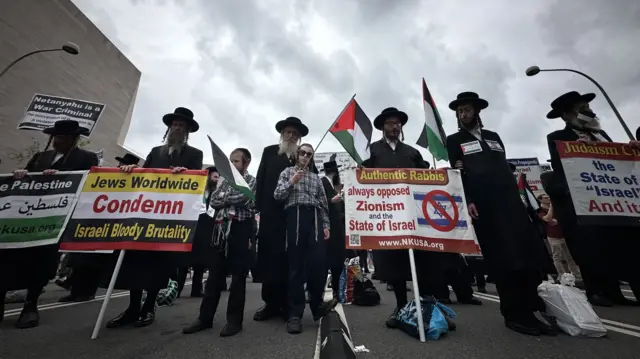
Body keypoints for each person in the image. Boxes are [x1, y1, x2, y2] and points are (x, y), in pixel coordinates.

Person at [445, 92, 553, 336]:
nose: (463, 115)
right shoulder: (454, 140)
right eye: (460, 111)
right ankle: (514, 313)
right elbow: (457, 173)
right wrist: (468, 200)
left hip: (510, 203)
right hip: (485, 206)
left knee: (525, 255)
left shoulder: (493, 137)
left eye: (467, 110)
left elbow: (503, 166)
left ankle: (532, 308)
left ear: (477, 112)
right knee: (503, 258)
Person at [105, 107, 203, 329]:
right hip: (145, 216)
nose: (177, 129)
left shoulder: (194, 154)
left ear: (187, 131)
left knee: (158, 266)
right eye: (175, 125)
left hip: (169, 220)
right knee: (135, 263)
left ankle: (149, 307)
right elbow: (143, 178)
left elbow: (196, 184)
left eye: (181, 126)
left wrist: (185, 173)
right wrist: (131, 169)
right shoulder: (155, 151)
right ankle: (132, 308)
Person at [0, 120, 98, 328]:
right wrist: (22, 175)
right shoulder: (41, 157)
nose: (58, 141)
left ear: (73, 139)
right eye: (56, 136)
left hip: (54, 220)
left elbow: (89, 183)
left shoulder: (86, 158)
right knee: (9, 256)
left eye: (63, 137)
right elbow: (26, 179)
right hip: (26, 217)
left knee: (40, 262)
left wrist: (62, 177)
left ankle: (30, 305)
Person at [546, 91, 639, 306]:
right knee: (590, 246)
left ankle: (615, 291)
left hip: (611, 202)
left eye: (586, 106)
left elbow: (618, 163)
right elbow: (561, 167)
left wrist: (630, 150)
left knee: (613, 245)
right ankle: (595, 289)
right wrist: (578, 148)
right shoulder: (558, 137)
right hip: (584, 202)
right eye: (581, 108)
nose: (587, 110)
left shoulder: (602, 134)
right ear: (567, 115)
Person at [362, 107, 445, 329]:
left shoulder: (411, 152)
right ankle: (401, 308)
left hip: (414, 216)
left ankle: (427, 310)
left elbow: (425, 175)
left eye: (397, 123)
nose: (394, 126)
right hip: (388, 216)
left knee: (423, 264)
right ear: (382, 127)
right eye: (390, 123)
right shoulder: (371, 151)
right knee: (395, 265)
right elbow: (362, 177)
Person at [183, 148, 256, 336]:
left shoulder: (250, 181)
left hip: (240, 229)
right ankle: (204, 318)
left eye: (236, 161)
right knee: (215, 276)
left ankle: (234, 321)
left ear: (246, 163)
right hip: (220, 230)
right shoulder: (223, 180)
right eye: (230, 160)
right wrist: (226, 198)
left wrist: (225, 198)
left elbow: (244, 198)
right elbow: (214, 201)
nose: (231, 164)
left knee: (238, 277)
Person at [273, 143, 336, 334]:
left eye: (309, 154)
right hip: (295, 215)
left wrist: (326, 225)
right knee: (296, 266)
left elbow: (323, 204)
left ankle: (317, 307)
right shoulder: (287, 172)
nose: (305, 156)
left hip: (314, 218)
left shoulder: (316, 178)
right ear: (297, 155)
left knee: (318, 263)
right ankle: (295, 314)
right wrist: (292, 181)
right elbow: (277, 195)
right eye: (302, 153)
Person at [254, 117, 311, 322]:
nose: (291, 136)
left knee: (291, 260)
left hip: (293, 216)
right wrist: (257, 206)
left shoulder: (303, 157)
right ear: (282, 134)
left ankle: (288, 305)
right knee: (269, 259)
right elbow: (260, 179)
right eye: (288, 132)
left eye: (295, 133)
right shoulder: (270, 151)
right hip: (270, 214)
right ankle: (270, 303)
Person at [537, 193, 582, 284]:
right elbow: (547, 218)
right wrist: (551, 207)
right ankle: (562, 275)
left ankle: (577, 275)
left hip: (563, 234)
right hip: (553, 236)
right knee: (557, 257)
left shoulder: (556, 208)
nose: (548, 198)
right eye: (545, 198)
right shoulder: (540, 210)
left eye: (549, 197)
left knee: (569, 256)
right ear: (540, 200)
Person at [320, 158, 346, 298]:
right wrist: (332, 201)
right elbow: (320, 203)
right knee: (325, 262)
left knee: (337, 262)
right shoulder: (323, 183)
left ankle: (337, 290)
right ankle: (319, 292)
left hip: (337, 229)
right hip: (328, 229)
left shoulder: (334, 186)